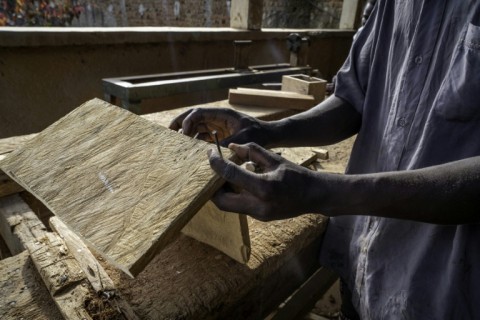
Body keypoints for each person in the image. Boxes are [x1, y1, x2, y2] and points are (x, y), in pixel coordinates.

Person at [169, 0, 480, 318]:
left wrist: (322, 193)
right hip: (361, 265)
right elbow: (352, 98)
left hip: (442, 287)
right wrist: (265, 129)